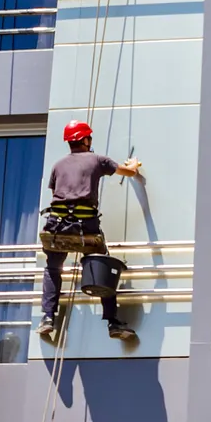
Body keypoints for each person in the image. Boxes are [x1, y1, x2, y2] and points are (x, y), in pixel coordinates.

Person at [37, 120, 142, 340]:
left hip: (57, 227)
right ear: (85, 140)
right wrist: (133, 164)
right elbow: (128, 172)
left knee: (53, 268)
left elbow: (56, 193)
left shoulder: (57, 165)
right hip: (85, 228)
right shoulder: (98, 160)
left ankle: (47, 317)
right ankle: (113, 322)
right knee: (101, 262)